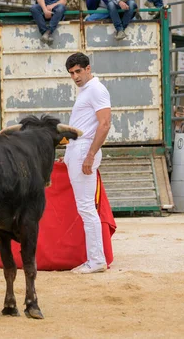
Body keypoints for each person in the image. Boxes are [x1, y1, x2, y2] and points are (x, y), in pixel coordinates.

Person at [64, 52, 111, 274]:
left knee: (86, 207)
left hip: (84, 149)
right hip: (79, 148)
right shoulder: (87, 91)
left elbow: (105, 124)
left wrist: (91, 154)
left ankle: (96, 260)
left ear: (88, 68)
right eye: (71, 73)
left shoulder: (96, 89)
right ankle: (95, 258)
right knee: (85, 207)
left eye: (78, 71)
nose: (75, 76)